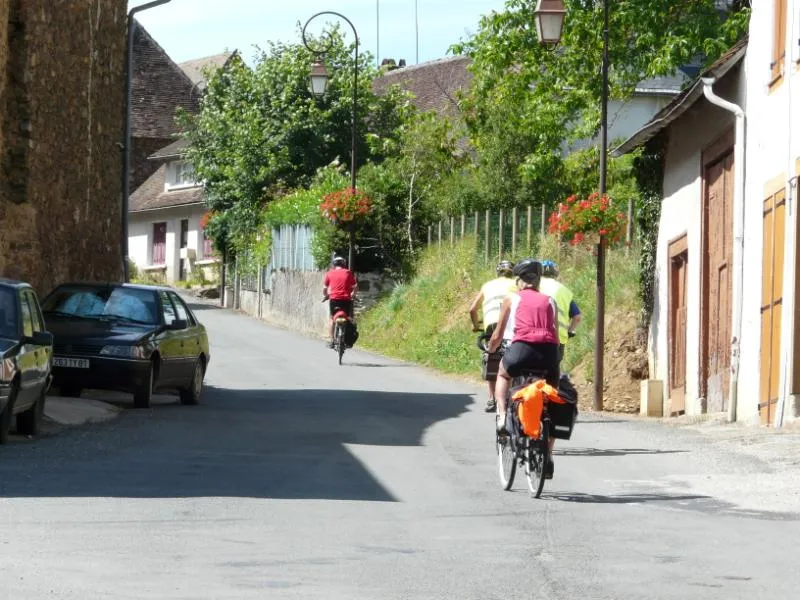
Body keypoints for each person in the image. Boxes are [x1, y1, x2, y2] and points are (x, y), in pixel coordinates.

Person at [488, 258, 559, 477]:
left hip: (521, 350)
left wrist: (491, 350)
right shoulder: (550, 300)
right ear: (538, 281)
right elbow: (554, 334)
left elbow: (498, 334)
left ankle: (501, 416)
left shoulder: (512, 298)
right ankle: (547, 454)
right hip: (548, 354)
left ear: (519, 280)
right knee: (552, 400)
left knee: (502, 373)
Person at [469, 260, 517, 412]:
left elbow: (472, 309)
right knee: (513, 359)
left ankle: (491, 400)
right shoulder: (516, 284)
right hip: (512, 324)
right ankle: (511, 397)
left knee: (491, 358)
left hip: (491, 325)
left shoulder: (488, 285)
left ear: (498, 272)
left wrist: (476, 326)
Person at [538, 259, 581, 364]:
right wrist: (570, 331)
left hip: (535, 336)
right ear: (555, 273)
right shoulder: (564, 291)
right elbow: (577, 317)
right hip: (557, 338)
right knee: (553, 372)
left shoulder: (534, 286)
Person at [323, 256, 358, 348]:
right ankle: (347, 339)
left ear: (334, 265)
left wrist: (326, 295)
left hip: (334, 299)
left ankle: (332, 341)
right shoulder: (348, 272)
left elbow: (325, 288)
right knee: (348, 318)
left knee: (332, 319)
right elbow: (355, 287)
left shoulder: (329, 273)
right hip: (346, 300)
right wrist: (353, 294)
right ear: (343, 264)